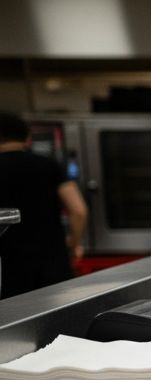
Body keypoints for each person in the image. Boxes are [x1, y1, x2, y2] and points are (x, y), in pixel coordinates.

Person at [0, 111, 87, 299]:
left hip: (7, 267)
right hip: (51, 262)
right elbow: (78, 211)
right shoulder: (48, 165)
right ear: (27, 138)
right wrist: (74, 245)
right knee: (56, 313)